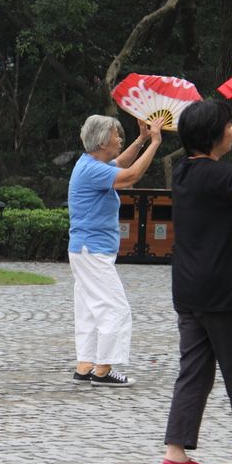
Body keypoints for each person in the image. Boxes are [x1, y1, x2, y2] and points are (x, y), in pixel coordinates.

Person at [160, 100, 232, 464]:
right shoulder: (224, 179)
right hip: (224, 292)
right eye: (226, 128)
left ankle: (175, 451)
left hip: (189, 290)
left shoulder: (182, 172)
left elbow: (215, 148)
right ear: (214, 137)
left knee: (193, 371)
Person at [67, 115, 162, 386]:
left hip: (86, 251)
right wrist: (155, 142)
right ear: (101, 141)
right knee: (115, 309)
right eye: (115, 135)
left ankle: (85, 366)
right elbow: (130, 175)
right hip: (92, 252)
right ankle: (103, 370)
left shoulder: (91, 164)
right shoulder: (91, 169)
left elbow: (120, 165)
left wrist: (141, 140)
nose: (119, 138)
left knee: (88, 309)